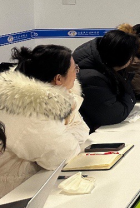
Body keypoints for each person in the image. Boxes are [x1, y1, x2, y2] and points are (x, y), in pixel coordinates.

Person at [0, 45, 89, 198]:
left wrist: (65, 133)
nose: (77, 73)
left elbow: (81, 127)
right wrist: (68, 134)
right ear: (58, 78)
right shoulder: (31, 111)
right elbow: (63, 155)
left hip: (31, 183)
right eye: (75, 69)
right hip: (13, 192)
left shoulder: (58, 96)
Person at [73, 30, 139, 130]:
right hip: (89, 133)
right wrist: (128, 93)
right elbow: (114, 114)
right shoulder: (91, 78)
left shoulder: (102, 62)